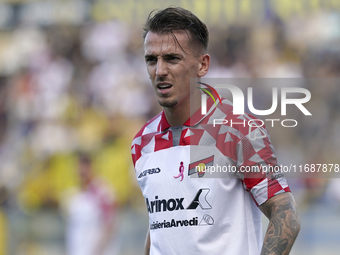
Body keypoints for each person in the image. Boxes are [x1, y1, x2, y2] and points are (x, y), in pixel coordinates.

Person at [131, 7, 300, 255]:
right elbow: (159, 227)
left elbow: (286, 214)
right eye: (151, 60)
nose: (160, 70)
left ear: (203, 65)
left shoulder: (237, 130)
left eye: (172, 58)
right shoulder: (142, 142)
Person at [65, 153, 119, 255]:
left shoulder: (102, 191)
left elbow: (110, 225)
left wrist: (98, 250)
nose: (81, 171)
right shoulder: (74, 196)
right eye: (79, 167)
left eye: (85, 167)